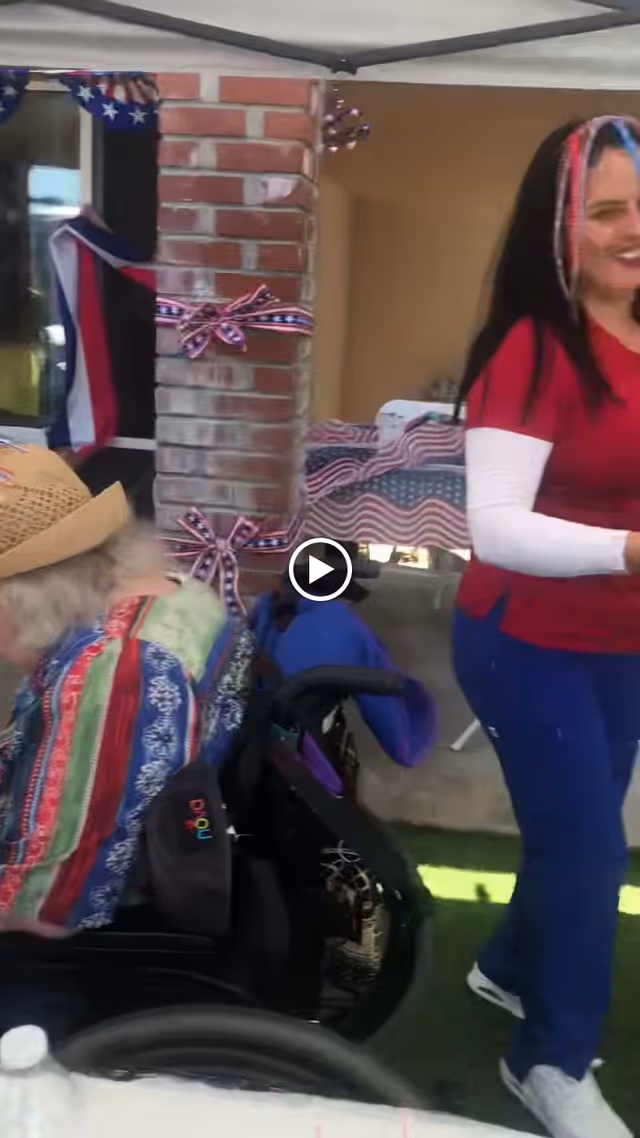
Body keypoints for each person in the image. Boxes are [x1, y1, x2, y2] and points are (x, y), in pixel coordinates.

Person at [452, 115, 640, 1138]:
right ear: (557, 227)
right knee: (588, 851)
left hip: (620, 641)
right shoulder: (531, 345)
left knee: (575, 829)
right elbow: (494, 528)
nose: (632, 230)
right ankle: (549, 1060)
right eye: (607, 209)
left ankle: (502, 969)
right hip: (525, 641)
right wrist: (626, 551)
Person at [0, 442, 252, 935]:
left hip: (79, 952)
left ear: (22, 597)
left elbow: (48, 905)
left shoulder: (115, 673)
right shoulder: (175, 596)